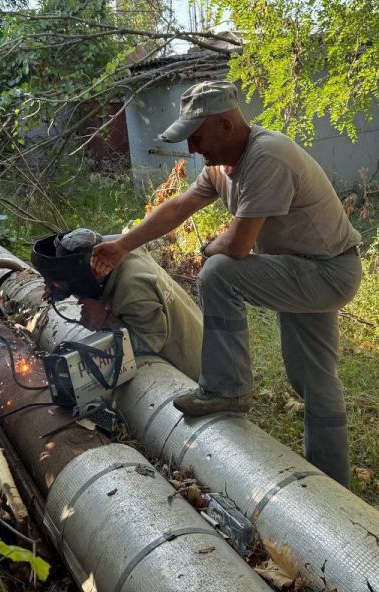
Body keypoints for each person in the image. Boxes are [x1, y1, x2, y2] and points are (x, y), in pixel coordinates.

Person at [91, 80, 362, 486]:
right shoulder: (221, 167)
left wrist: (213, 244)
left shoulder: (267, 156)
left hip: (326, 272)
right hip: (298, 268)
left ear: (225, 125)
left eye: (196, 137)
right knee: (311, 377)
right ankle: (334, 482)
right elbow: (179, 207)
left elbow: (236, 247)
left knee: (218, 273)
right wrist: (123, 246)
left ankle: (228, 387)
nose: (192, 149)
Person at [31, 229, 202, 381]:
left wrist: (105, 319)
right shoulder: (117, 247)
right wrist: (61, 287)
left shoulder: (133, 288)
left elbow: (148, 345)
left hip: (193, 370)